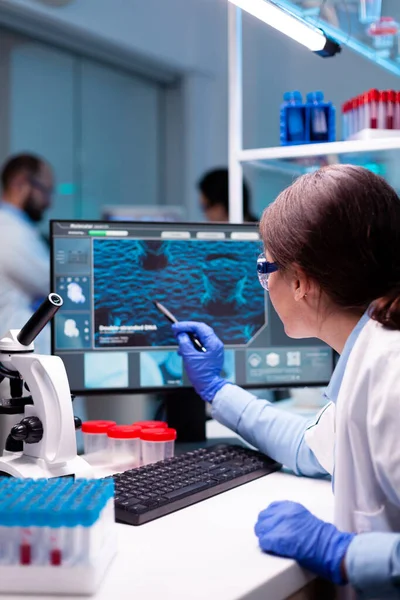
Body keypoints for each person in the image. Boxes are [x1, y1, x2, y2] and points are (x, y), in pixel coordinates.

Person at [173, 164, 400, 598]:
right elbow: (308, 448)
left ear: (300, 281)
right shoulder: (373, 349)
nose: (264, 282)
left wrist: (343, 553)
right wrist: (218, 390)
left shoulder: (391, 372)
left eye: (266, 266)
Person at [0, 153, 53, 353]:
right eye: (45, 190)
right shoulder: (9, 231)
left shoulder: (16, 228)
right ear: (20, 183)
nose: (49, 202)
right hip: (15, 351)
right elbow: (52, 283)